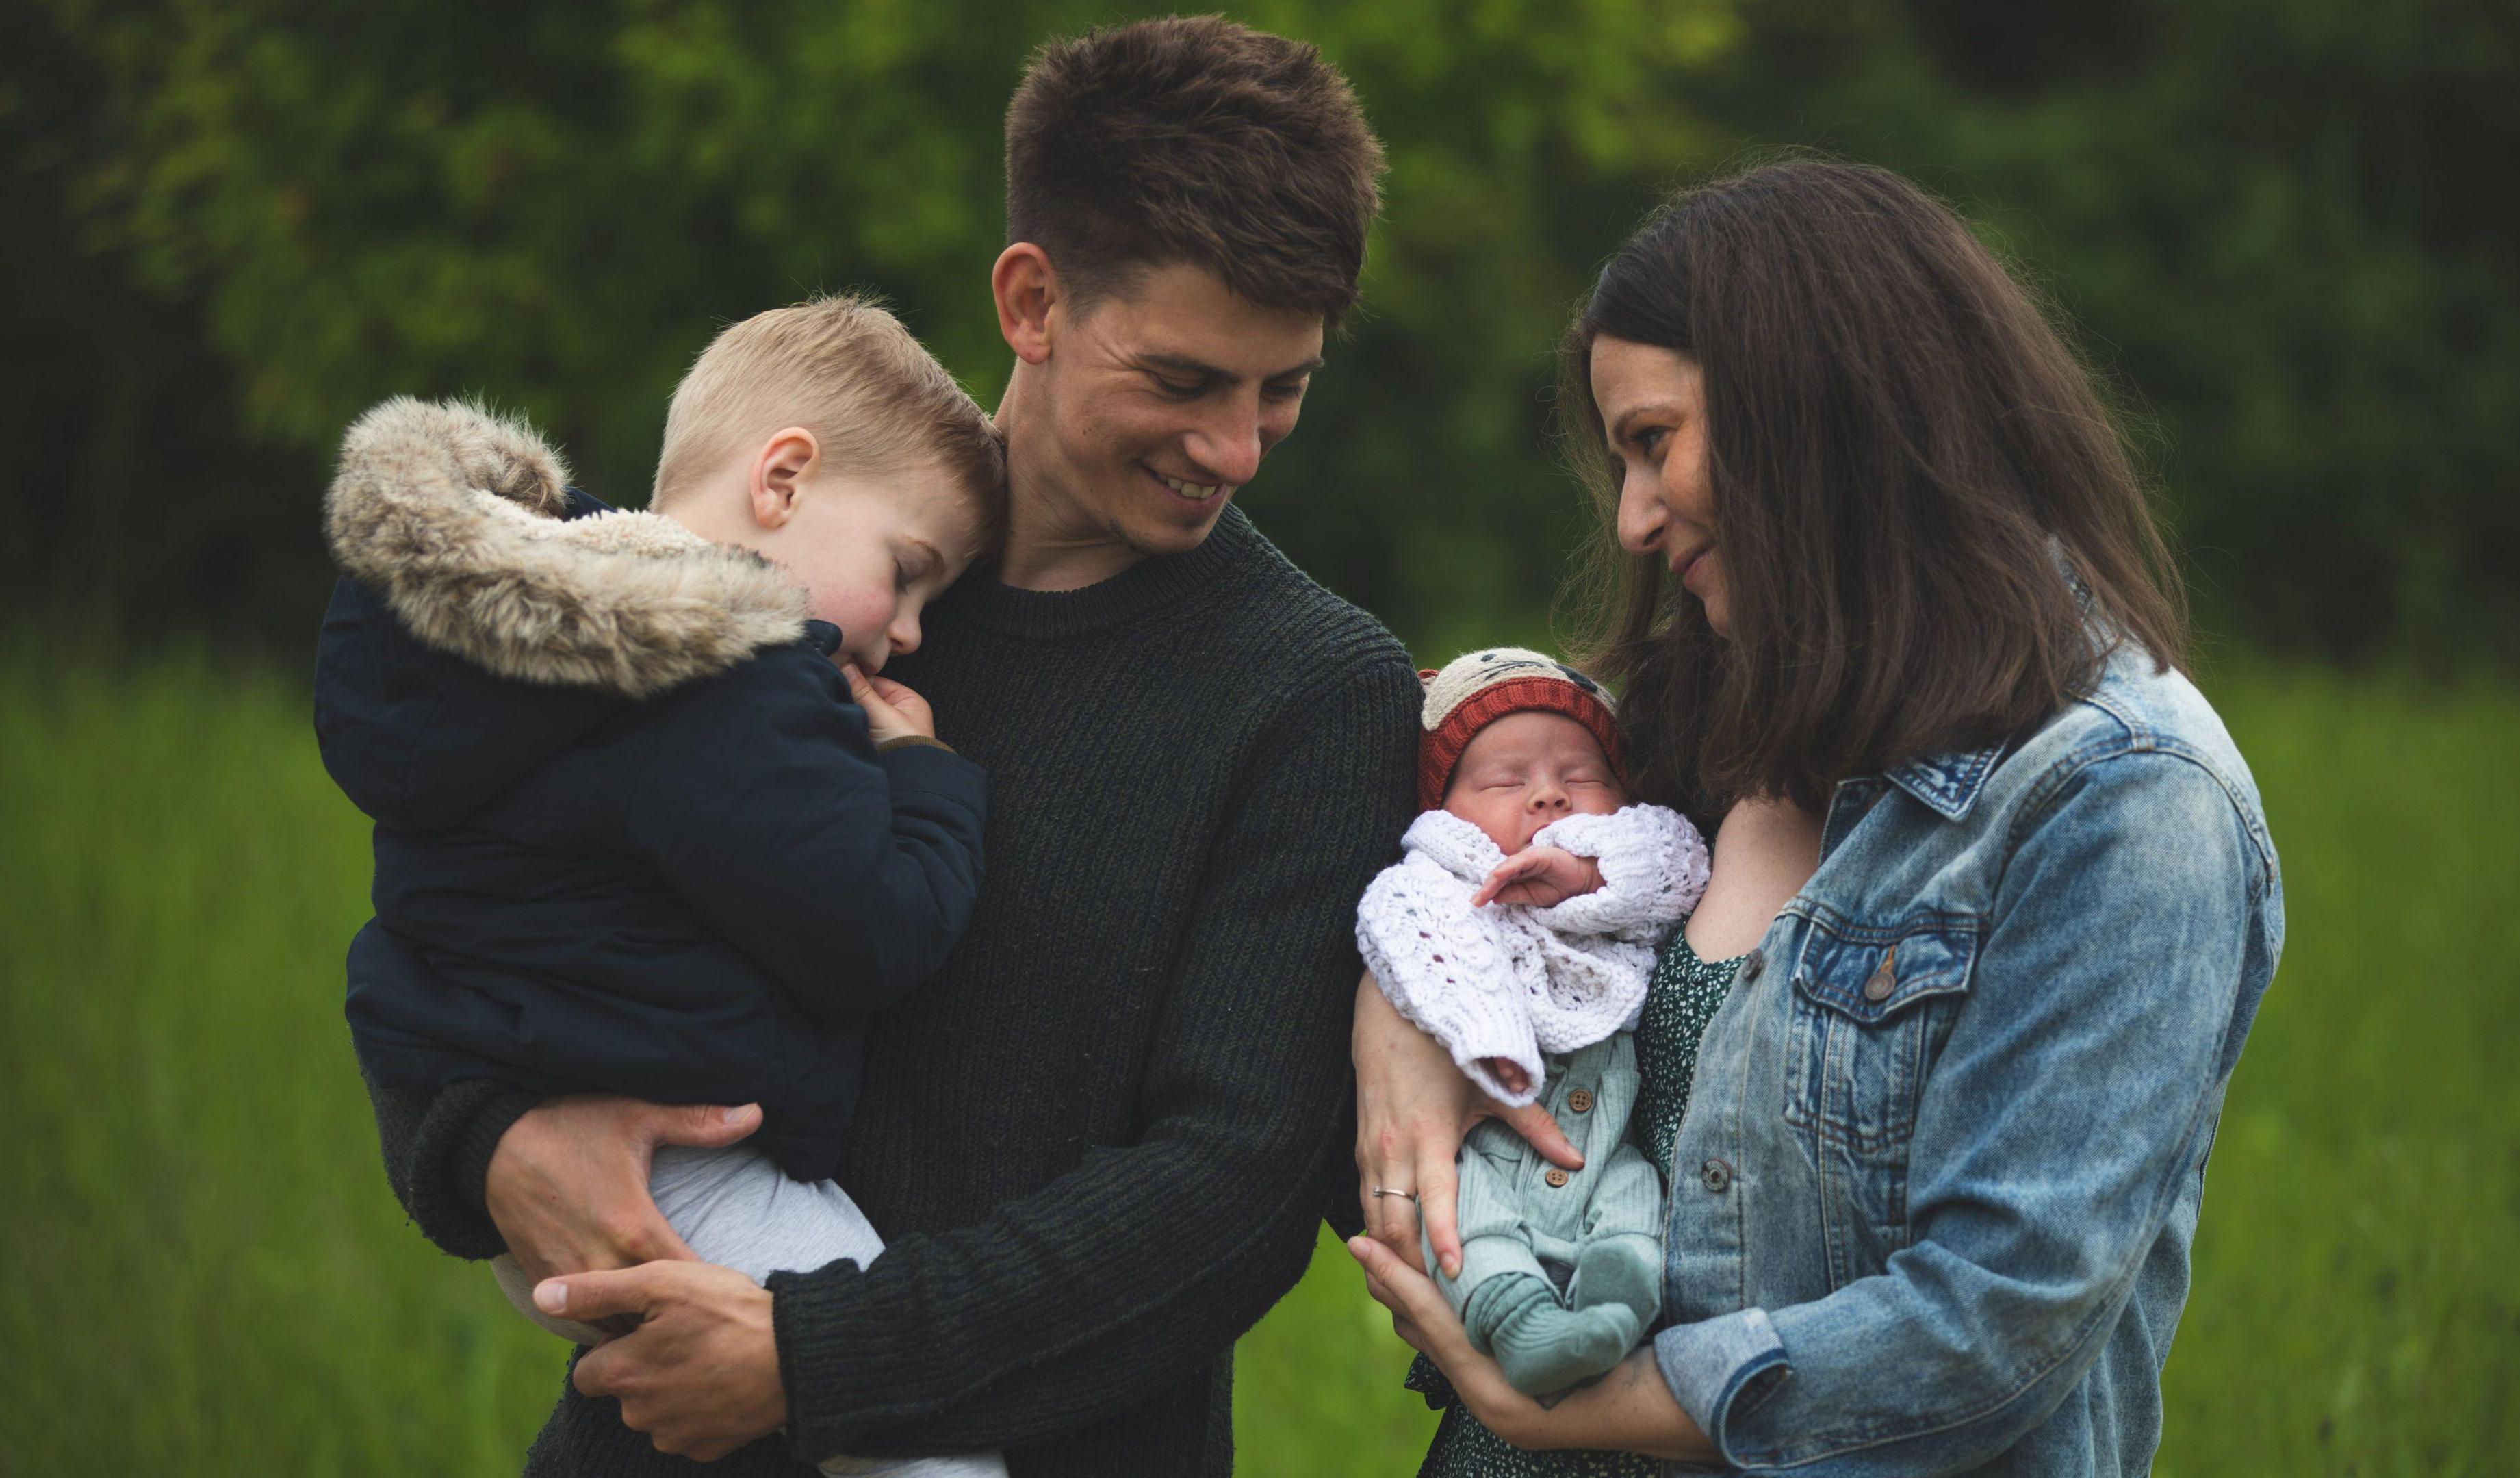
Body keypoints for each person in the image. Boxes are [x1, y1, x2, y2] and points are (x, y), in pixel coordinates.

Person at [350, 16, 1416, 1476]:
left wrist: (814, 1358)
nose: (1233, 445)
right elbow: (484, 898)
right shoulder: (797, 588)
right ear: (1032, 298)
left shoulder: (1311, 690)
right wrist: (481, 1139)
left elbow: (1228, 1188)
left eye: (1280, 386)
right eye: (1182, 379)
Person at [1348, 159, 2285, 1477]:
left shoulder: (2124, 797)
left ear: (1816, 406)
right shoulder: (1693, 717)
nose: (1631, 516)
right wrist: (1398, 1006)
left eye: (1654, 441)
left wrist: (1578, 1406)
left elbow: (1987, 1323)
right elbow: (1433, 852)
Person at [317, 298, 1005, 1478]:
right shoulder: (734, 680)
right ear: (781, 480)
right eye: (906, 573)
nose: (905, 633)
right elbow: (873, 932)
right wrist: (929, 782)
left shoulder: (492, 644)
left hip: (526, 1173)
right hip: (682, 1180)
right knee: (924, 1436)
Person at [1354, 648, 1708, 1401]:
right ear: (1442, 808)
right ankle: (1521, 1320)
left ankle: (1617, 1294)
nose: (1549, 795)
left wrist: (1583, 874)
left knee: (1634, 1196)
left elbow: (1675, 860)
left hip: (1606, 1143)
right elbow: (1419, 940)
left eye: (1582, 776)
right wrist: (1492, 1042)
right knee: (1466, 1218)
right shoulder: (1436, 882)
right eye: (1506, 780)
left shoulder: (1617, 894)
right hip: (1490, 1128)